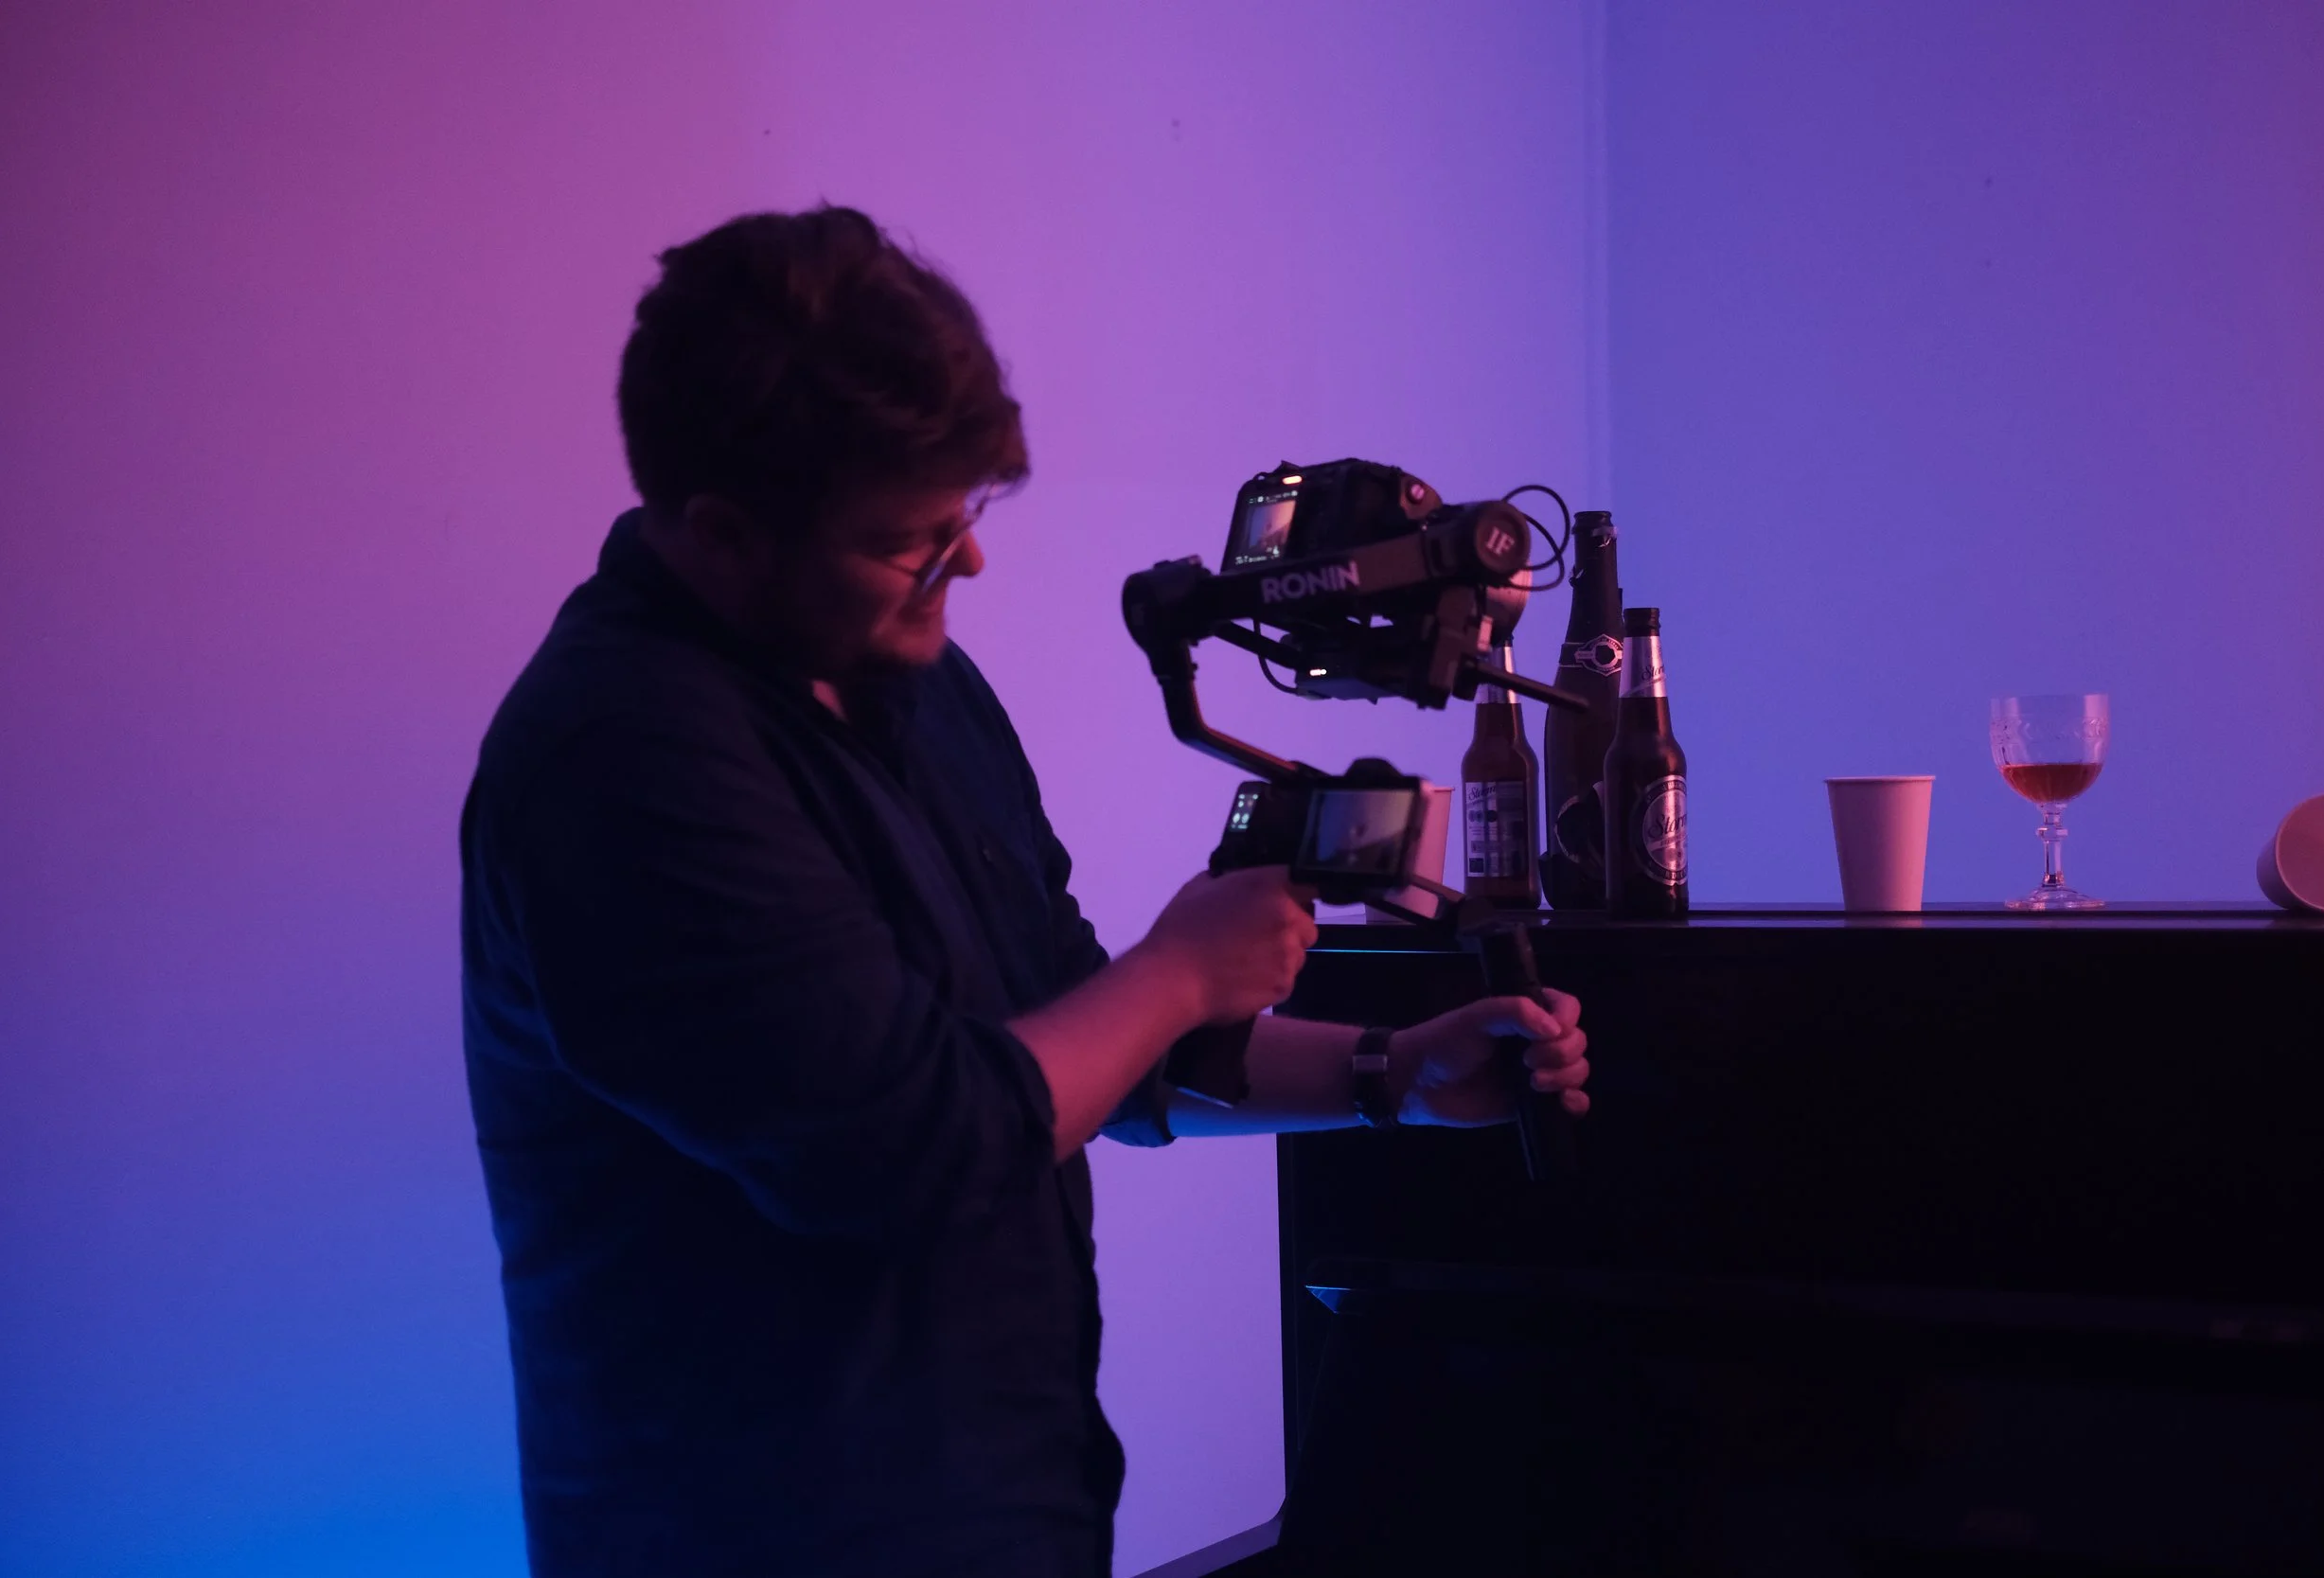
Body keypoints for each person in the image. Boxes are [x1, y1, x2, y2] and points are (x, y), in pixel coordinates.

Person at [459, 204, 1590, 1578]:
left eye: (967, 519)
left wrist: (1384, 1072)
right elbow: (919, 1141)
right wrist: (1178, 968)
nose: (967, 566)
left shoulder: (912, 677)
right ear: (726, 532)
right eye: (910, 539)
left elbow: (1066, 1036)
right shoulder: (621, 757)